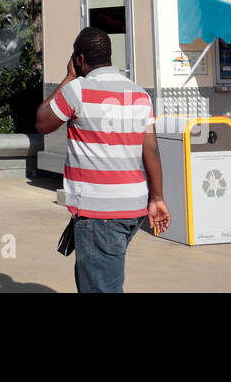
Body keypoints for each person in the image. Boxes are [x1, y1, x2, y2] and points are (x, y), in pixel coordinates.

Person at [35, 27, 170, 293]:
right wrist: (157, 198)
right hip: (132, 209)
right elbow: (151, 151)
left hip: (100, 214)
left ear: (80, 59)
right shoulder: (140, 95)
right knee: (95, 280)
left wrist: (68, 77)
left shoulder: (77, 91)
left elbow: (42, 122)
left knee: (100, 287)